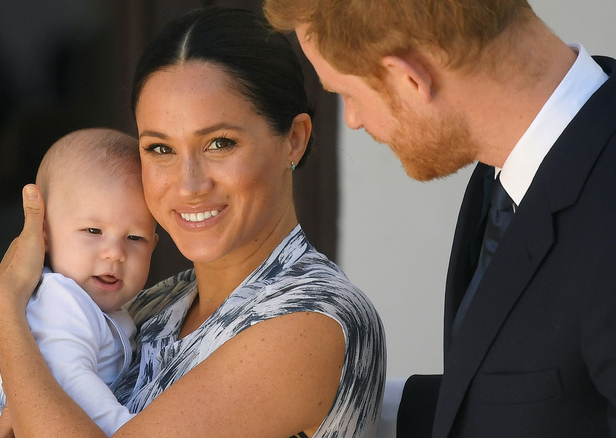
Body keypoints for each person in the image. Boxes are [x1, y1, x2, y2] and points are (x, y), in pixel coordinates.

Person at [0, 6, 386, 438]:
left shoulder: (313, 319)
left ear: (294, 139)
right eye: (160, 149)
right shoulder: (154, 306)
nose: (189, 185)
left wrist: (5, 312)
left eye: (219, 143)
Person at [264, 0, 616, 437]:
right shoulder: (509, 172)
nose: (352, 121)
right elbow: (537, 398)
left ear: (411, 79)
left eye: (346, 95)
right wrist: (331, 400)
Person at [0, 128, 158, 437]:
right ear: (43, 235)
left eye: (134, 238)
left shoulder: (108, 308)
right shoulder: (61, 300)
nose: (115, 253)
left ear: (154, 244)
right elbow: (71, 382)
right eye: (92, 231)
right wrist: (127, 429)